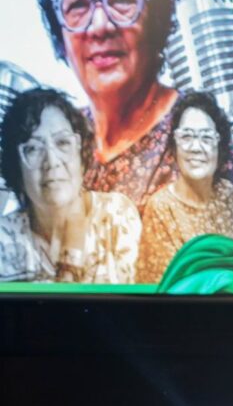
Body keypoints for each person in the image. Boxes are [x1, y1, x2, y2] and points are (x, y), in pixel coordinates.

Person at [37, 0, 233, 206]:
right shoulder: (59, 139)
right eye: (78, 4)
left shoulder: (195, 132)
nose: (99, 26)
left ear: (156, 14)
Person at [0, 87, 138, 282]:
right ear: (16, 166)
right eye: (33, 149)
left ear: (81, 152)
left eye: (62, 143)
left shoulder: (115, 216)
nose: (52, 161)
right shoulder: (4, 237)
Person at [136, 91, 233, 283]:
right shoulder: (161, 207)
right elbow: (165, 285)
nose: (196, 148)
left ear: (219, 146)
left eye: (206, 137)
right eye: (187, 137)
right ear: (174, 146)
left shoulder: (226, 193)